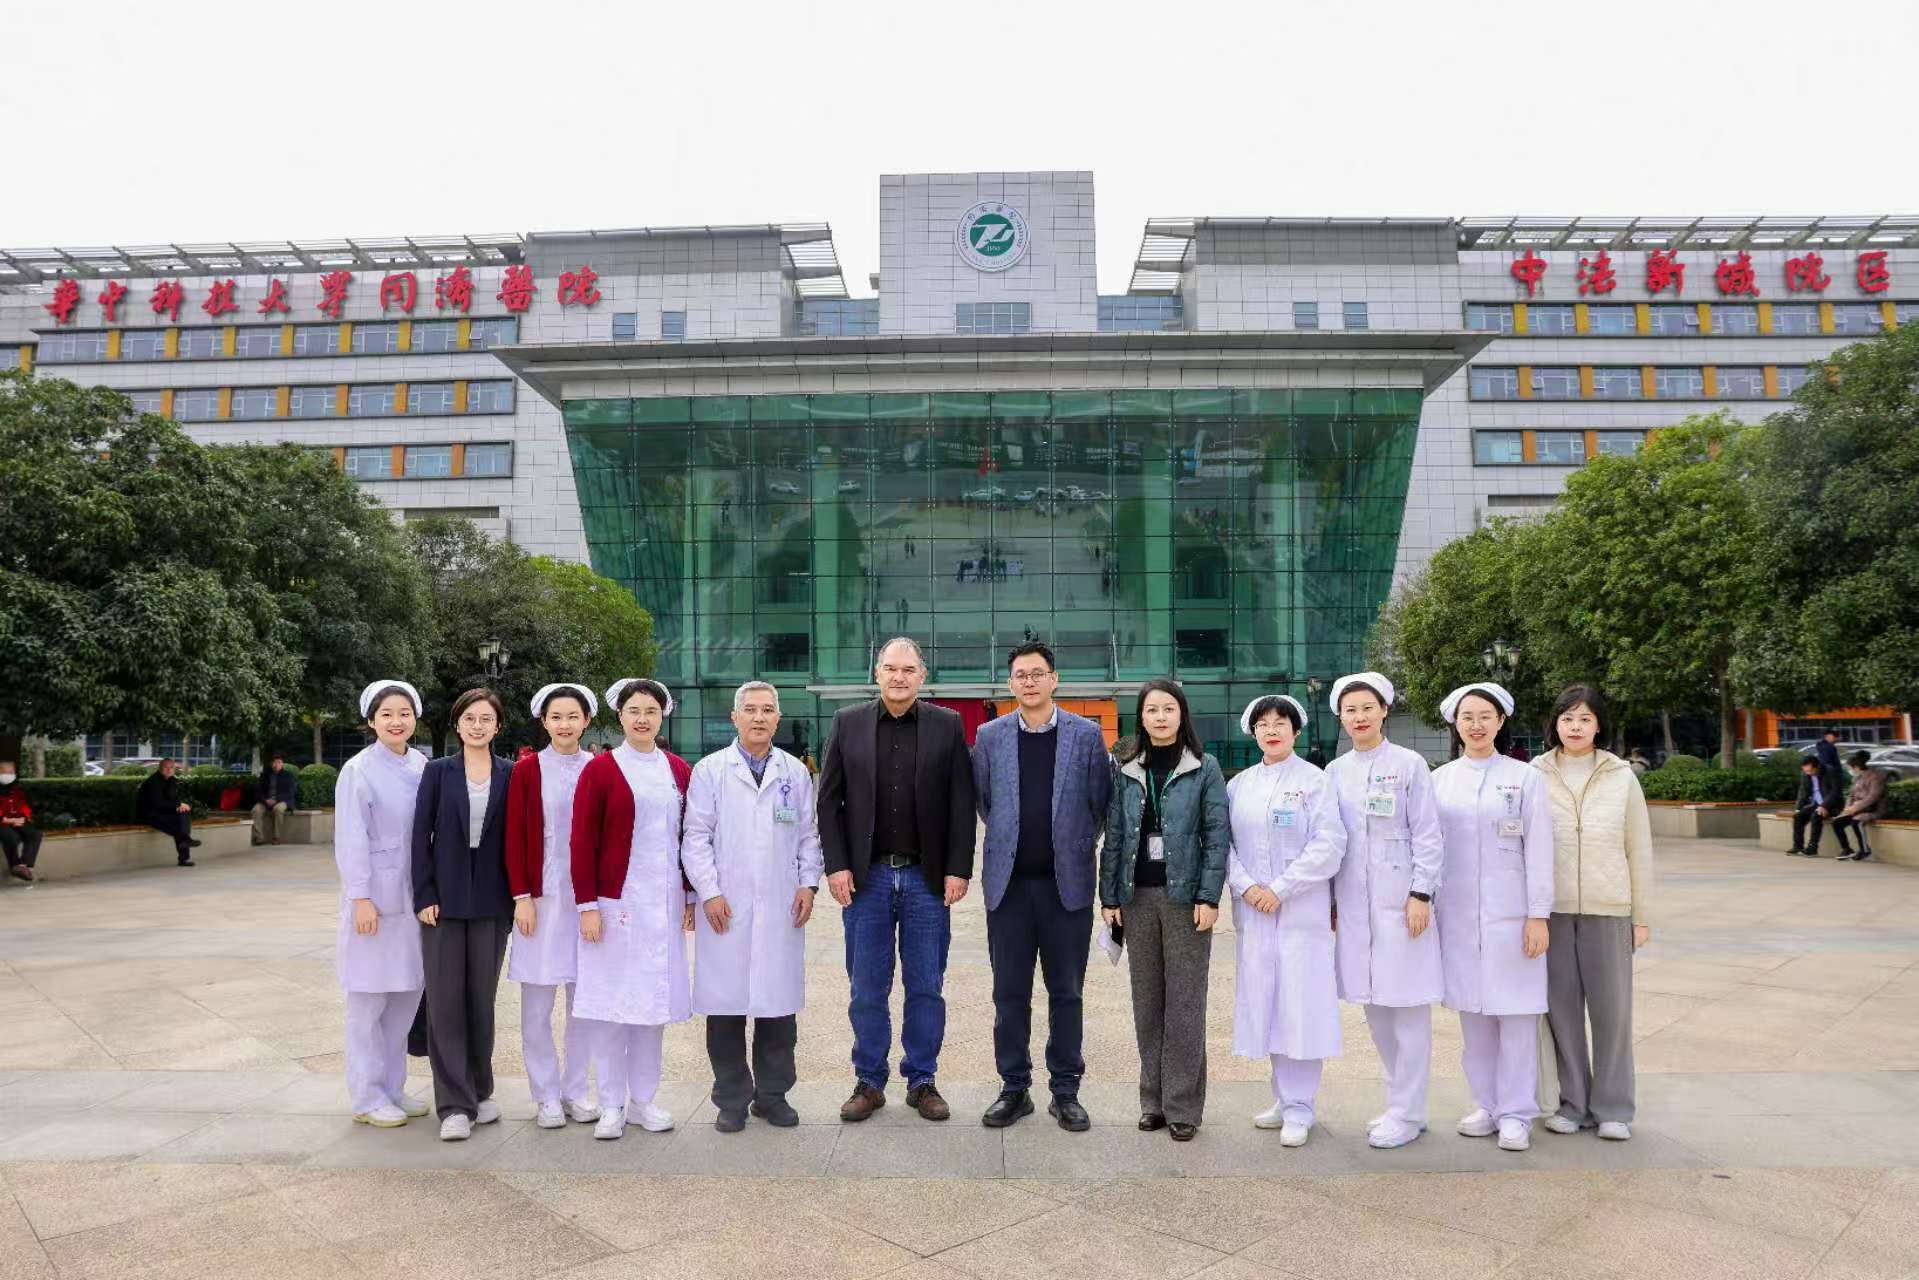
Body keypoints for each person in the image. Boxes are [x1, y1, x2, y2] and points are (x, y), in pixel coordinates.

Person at [817, 637, 977, 1124]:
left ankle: (922, 1080)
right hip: (866, 880)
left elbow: (961, 802)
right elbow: (829, 801)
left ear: (922, 676)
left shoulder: (947, 725)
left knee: (926, 985)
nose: (899, 676)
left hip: (927, 879)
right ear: (877, 673)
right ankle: (869, 1081)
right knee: (867, 986)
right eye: (891, 668)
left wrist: (958, 868)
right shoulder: (847, 723)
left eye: (908, 669)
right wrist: (836, 865)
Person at [972, 642, 1114, 1132]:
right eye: (1020, 674)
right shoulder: (990, 736)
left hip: (1066, 889)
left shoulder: (1086, 735)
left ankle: (1065, 1091)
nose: (1029, 682)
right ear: (1010, 683)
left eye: (1037, 673)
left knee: (1067, 993)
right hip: (1009, 889)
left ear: (1054, 679)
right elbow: (986, 803)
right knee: (1009, 994)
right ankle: (1014, 1088)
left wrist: (1071, 846)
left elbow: (1099, 805)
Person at [681, 681, 823, 1132]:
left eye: (767, 710)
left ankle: (772, 1096)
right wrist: (709, 892)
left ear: (778, 718)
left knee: (777, 1007)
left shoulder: (794, 773)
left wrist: (808, 884)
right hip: (727, 907)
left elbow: (809, 835)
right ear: (735, 717)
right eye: (750, 709)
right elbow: (695, 838)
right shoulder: (710, 771)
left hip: (781, 906)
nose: (759, 717)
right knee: (725, 1008)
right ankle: (731, 1100)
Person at [1099, 678, 1230, 1142]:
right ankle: (1152, 1101)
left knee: (1185, 1004)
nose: (1160, 717)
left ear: (1181, 715)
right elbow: (1115, 835)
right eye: (1152, 710)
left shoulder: (1203, 767)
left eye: (1168, 709)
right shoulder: (1127, 768)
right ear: (1142, 717)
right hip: (1136, 897)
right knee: (1147, 1002)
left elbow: (1217, 836)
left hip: (1185, 900)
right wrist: (1109, 897)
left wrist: (1209, 896)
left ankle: (1183, 1106)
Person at [1432, 683, 1555, 1152]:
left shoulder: (1524, 778)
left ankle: (1517, 1113)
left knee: (1517, 1017)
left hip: (1513, 915)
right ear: (1455, 723)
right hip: (1459, 916)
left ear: (1501, 721)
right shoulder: (1441, 781)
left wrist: (1538, 914)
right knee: (1475, 1018)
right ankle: (1486, 1104)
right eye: (1467, 717)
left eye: (1486, 716)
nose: (1476, 725)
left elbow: (1539, 848)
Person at [1324, 671, 1444, 1150]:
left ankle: (1409, 1113)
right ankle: (1400, 1104)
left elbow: (1428, 835)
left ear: (1384, 711)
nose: (1359, 717)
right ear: (1341, 717)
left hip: (1402, 905)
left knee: (1408, 1012)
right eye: (1350, 710)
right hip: (1356, 909)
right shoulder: (1335, 772)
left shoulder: (1410, 765)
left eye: (1367, 708)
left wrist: (1421, 894)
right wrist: (1331, 900)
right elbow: (1332, 840)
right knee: (1376, 1011)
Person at [570, 677, 693, 1140]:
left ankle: (643, 1100)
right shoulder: (601, 771)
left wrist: (689, 896)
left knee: (652, 1006)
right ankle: (611, 1104)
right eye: (634, 711)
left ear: (663, 716)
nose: (643, 719)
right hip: (613, 904)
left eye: (651, 711)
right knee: (611, 1007)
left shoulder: (677, 769)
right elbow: (582, 840)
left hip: (663, 904)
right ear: (619, 716)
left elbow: (688, 838)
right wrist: (587, 905)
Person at [1533, 683, 1653, 1141]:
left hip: (1609, 910)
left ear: (1599, 724)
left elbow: (1639, 850)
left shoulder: (1621, 776)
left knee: (1612, 1014)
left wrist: (1641, 916)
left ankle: (1614, 1108)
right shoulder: (1536, 774)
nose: (1575, 727)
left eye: (1585, 719)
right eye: (1567, 718)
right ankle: (1573, 1104)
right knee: (1561, 1014)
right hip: (1553, 911)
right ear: (1555, 723)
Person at [1225, 694, 1344, 1148]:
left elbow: (1329, 845)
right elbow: (1223, 844)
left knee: (1301, 1005)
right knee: (1269, 1003)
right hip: (1255, 911)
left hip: (1299, 912)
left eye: (1280, 723)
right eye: (1263, 724)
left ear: (1296, 730)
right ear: (1252, 731)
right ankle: (1282, 1096)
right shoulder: (1240, 786)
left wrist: (1280, 888)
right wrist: (1247, 886)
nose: (1271, 730)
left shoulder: (1315, 781)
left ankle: (1301, 1106)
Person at [411, 687, 515, 1141]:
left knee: (481, 1002)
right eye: (470, 718)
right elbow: (420, 836)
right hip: (444, 903)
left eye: (486, 719)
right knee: (445, 1003)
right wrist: (424, 895)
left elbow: (519, 837)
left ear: (498, 726)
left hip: (493, 901)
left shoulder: (511, 773)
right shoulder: (437, 772)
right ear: (457, 724)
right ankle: (454, 1105)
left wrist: (520, 898)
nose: (477, 725)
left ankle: (480, 1089)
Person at [504, 683, 602, 1130]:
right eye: (556, 717)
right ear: (543, 722)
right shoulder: (527, 770)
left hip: (586, 901)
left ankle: (575, 1091)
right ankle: (545, 1095)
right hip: (541, 901)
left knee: (584, 1004)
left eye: (572, 716)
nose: (564, 724)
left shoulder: (599, 769)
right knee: (537, 1007)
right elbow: (514, 836)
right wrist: (522, 897)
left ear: (586, 721)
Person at [335, 680, 432, 1127]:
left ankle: (393, 1087)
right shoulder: (358, 770)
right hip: (374, 898)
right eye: (387, 714)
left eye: (404, 713)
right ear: (371, 721)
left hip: (413, 899)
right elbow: (350, 837)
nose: (396, 721)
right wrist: (360, 897)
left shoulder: (421, 765)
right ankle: (366, 1096)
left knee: (405, 998)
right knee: (368, 1002)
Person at [136, 758, 200, 866]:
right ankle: (185, 842)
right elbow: (157, 803)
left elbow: (172, 798)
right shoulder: (153, 782)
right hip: (149, 814)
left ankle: (184, 858)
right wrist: (177, 805)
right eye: (166, 767)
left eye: (171, 767)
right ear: (160, 768)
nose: (169, 770)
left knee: (184, 814)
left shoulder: (172, 780)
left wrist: (179, 806)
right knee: (179, 827)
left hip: (163, 812)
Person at [1832, 750, 1889, 862]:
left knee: (1856, 822)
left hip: (1873, 809)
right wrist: (1847, 809)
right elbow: (1851, 795)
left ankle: (1864, 850)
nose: (1850, 770)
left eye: (1851, 768)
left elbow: (1873, 797)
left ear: (1857, 767)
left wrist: (1855, 808)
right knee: (1837, 822)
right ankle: (1846, 849)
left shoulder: (1875, 777)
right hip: (1856, 810)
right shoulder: (1856, 778)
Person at [1788, 755, 1842, 858]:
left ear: (1818, 766)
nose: (1808, 773)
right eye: (1805, 771)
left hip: (1832, 805)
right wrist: (1798, 808)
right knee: (1798, 816)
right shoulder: (1806, 773)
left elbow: (1835, 791)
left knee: (1815, 816)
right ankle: (1798, 846)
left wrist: (1824, 806)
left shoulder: (1829, 771)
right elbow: (1803, 791)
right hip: (1816, 804)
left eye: (1810, 771)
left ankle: (1812, 848)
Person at [0, 761, 42, 884]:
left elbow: (24, 806)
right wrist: (7, 820)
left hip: (16, 821)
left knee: (35, 834)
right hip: (2, 822)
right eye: (4, 772)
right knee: (11, 836)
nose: (8, 775)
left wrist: (23, 818)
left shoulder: (16, 789)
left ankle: (23, 865)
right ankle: (15, 864)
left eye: (11, 772)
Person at [253, 752, 299, 846]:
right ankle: (259, 838)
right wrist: (265, 800)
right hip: (266, 801)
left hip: (283, 801)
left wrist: (276, 799)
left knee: (278, 809)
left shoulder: (288, 776)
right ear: (271, 764)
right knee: (256, 810)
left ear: (282, 764)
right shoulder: (265, 775)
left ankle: (276, 837)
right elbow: (258, 791)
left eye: (279, 762)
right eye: (274, 762)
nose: (276, 764)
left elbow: (290, 792)